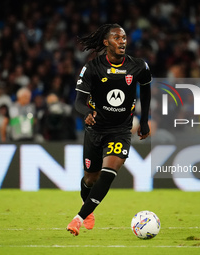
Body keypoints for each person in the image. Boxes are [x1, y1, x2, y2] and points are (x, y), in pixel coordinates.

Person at [66, 23, 151, 236]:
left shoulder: (138, 66)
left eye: (124, 38)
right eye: (116, 38)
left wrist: (144, 120)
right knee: (90, 179)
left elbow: (146, 91)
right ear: (106, 42)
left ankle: (79, 217)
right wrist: (85, 113)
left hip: (121, 130)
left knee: (108, 172)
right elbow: (78, 101)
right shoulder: (92, 68)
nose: (122, 41)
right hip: (95, 130)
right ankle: (88, 207)